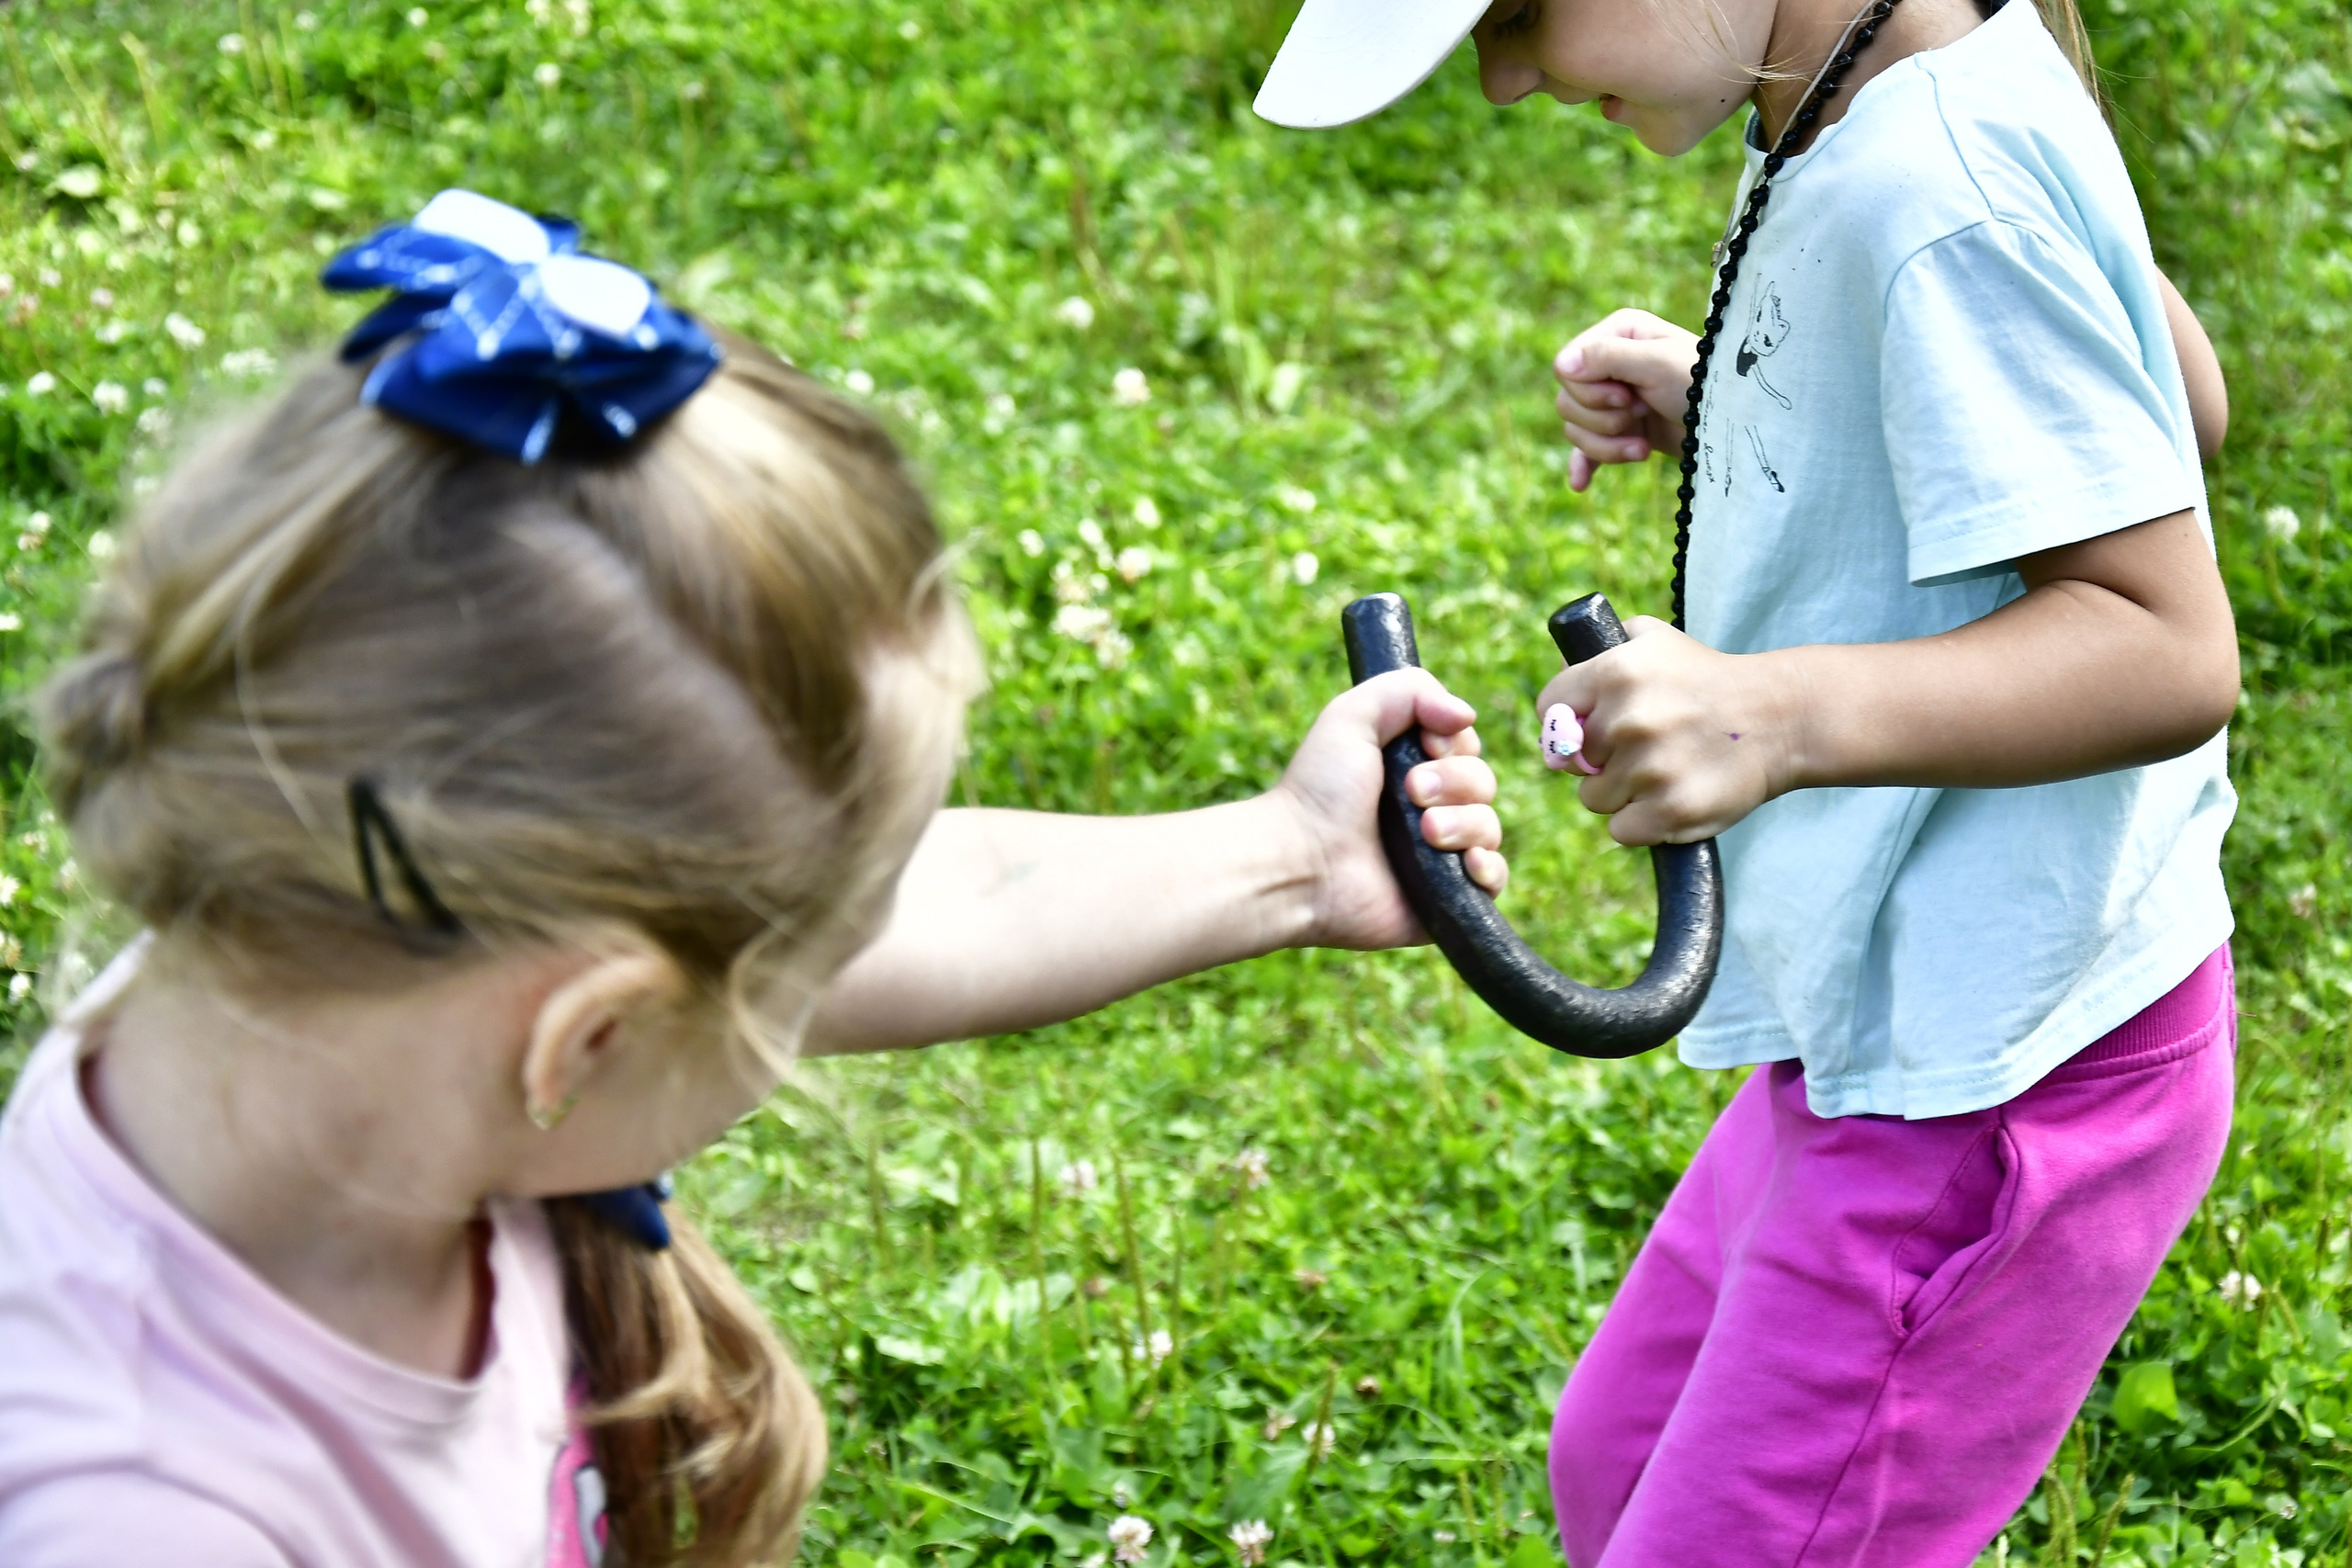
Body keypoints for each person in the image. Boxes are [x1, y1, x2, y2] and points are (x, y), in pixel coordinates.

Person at [0, 190, 1510, 1568]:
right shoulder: (136, 1511)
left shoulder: (332, 955)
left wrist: (1296, 862)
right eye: (807, 964)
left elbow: (948, 904)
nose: (856, 949)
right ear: (581, 1040)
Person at [1254, 0, 2238, 1562]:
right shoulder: (1857, 81)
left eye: (1516, 18)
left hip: (1993, 1077)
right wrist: (1745, 387)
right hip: (1883, 1012)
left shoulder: (1939, 171)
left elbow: (2167, 646)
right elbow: (2164, 407)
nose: (1506, 79)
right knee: (1615, 1466)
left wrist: (1768, 716)